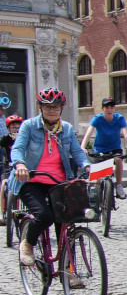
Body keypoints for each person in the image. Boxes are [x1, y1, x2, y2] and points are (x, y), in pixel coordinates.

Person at [9, 89, 91, 266]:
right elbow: (17, 148)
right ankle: (28, 244)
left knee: (66, 222)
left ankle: (68, 269)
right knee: (44, 216)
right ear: (40, 107)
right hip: (30, 180)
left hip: (58, 182)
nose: (52, 110)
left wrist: (87, 165)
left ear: (61, 108)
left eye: (55, 107)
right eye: (47, 107)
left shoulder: (66, 128)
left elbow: (76, 151)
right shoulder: (29, 126)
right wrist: (20, 164)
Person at [82, 97, 127, 199]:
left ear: (114, 108)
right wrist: (82, 147)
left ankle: (118, 185)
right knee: (98, 179)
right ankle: (96, 197)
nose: (109, 109)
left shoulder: (119, 118)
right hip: (100, 149)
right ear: (102, 108)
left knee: (118, 160)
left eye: (111, 107)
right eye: (106, 107)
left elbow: (126, 134)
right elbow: (89, 132)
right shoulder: (97, 119)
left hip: (115, 148)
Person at [0, 114, 23, 224]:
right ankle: (2, 212)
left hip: (22, 167)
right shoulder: (5, 139)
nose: (16, 129)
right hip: (8, 167)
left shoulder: (24, 138)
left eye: (18, 127)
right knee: (4, 184)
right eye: (13, 127)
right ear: (9, 128)